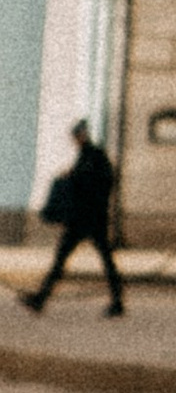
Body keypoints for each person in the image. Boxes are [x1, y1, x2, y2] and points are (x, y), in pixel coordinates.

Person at [26, 118, 124, 317]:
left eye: (77, 136)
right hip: (84, 219)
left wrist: (74, 180)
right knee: (66, 259)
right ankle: (41, 297)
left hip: (91, 219)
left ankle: (117, 301)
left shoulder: (94, 156)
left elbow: (101, 183)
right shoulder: (87, 156)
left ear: (82, 136)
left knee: (101, 260)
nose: (76, 140)